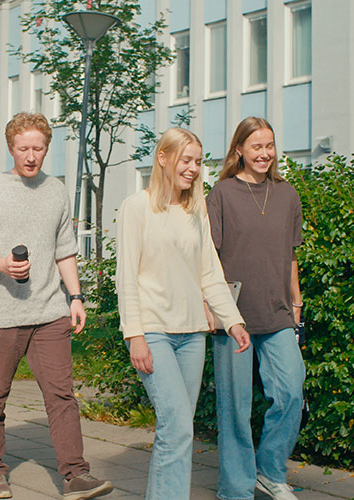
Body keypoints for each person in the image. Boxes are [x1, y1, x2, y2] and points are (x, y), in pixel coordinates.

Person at [0, 112, 112, 500]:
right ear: (11, 148)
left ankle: (76, 475)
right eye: (23, 148)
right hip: (2, 315)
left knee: (61, 396)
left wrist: (76, 297)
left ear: (47, 148)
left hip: (50, 312)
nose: (31, 156)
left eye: (38, 148)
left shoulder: (56, 190)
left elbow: (65, 250)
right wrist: (2, 265)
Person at [115, 127, 251, 500]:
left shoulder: (196, 209)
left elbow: (209, 271)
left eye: (197, 161)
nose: (192, 169)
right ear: (163, 157)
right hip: (154, 332)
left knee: (179, 429)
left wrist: (233, 319)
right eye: (185, 159)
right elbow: (125, 276)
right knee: (176, 428)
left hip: (193, 334)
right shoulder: (136, 207)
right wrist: (135, 334)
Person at [206, 117, 305, 500]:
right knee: (235, 407)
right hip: (233, 316)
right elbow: (208, 257)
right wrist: (210, 304)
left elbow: (291, 255)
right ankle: (236, 488)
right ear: (239, 151)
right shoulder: (223, 194)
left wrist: (296, 303)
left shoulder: (287, 194)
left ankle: (269, 469)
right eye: (256, 146)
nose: (264, 153)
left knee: (291, 394)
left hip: (278, 314)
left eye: (269, 146)